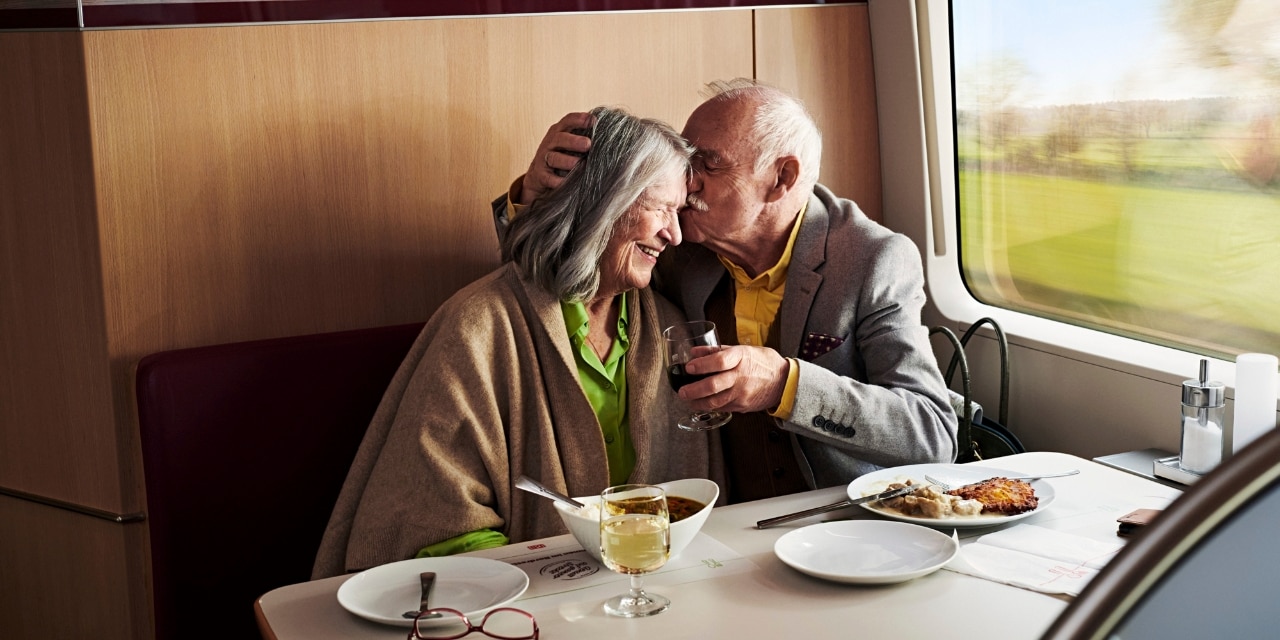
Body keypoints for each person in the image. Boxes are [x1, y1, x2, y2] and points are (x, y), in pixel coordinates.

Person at [496, 79, 956, 504]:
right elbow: (563, 274)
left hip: (843, 516)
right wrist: (534, 196)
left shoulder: (874, 259)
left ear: (782, 179)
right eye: (686, 159)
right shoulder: (680, 245)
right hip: (722, 521)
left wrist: (784, 385)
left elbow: (931, 434)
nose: (685, 180)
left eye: (708, 164)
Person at [312, 106, 722, 578]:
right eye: (662, 209)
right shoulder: (478, 325)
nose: (674, 234)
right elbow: (442, 521)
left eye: (679, 212)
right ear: (602, 202)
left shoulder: (667, 324)